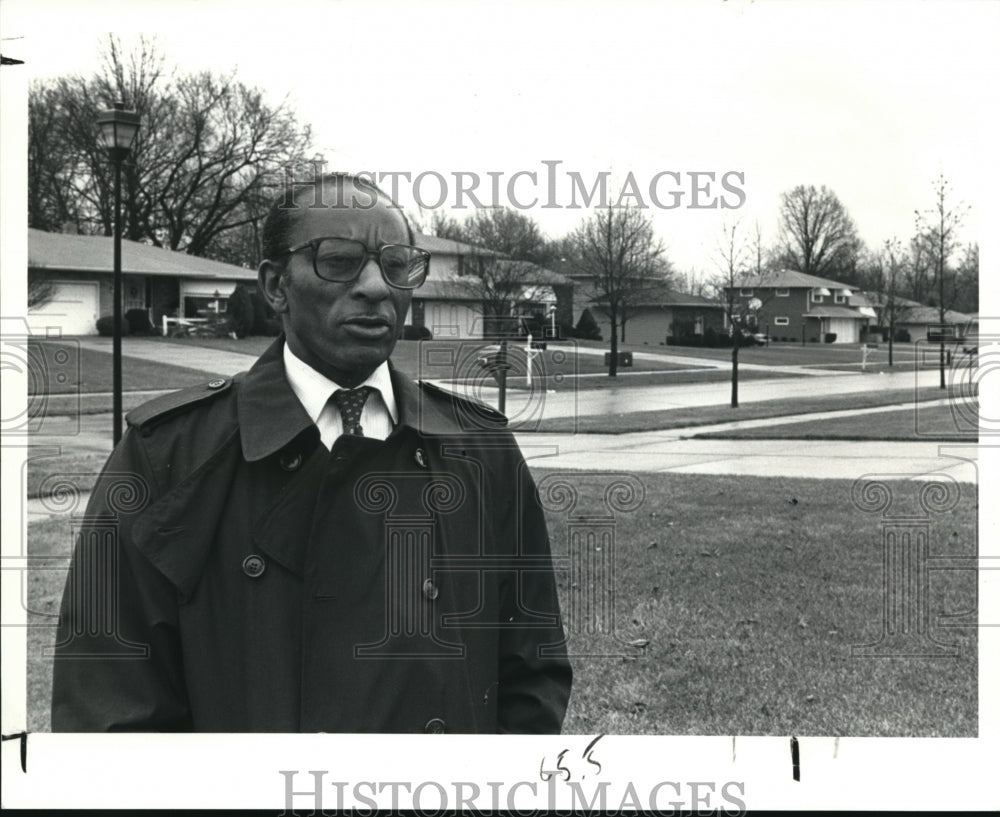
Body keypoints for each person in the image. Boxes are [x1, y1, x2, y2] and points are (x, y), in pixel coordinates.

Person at [51, 174, 572, 733]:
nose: (375, 285)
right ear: (276, 286)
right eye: (339, 260)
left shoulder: (481, 449)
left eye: (397, 264)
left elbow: (530, 674)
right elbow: (109, 710)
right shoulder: (167, 455)